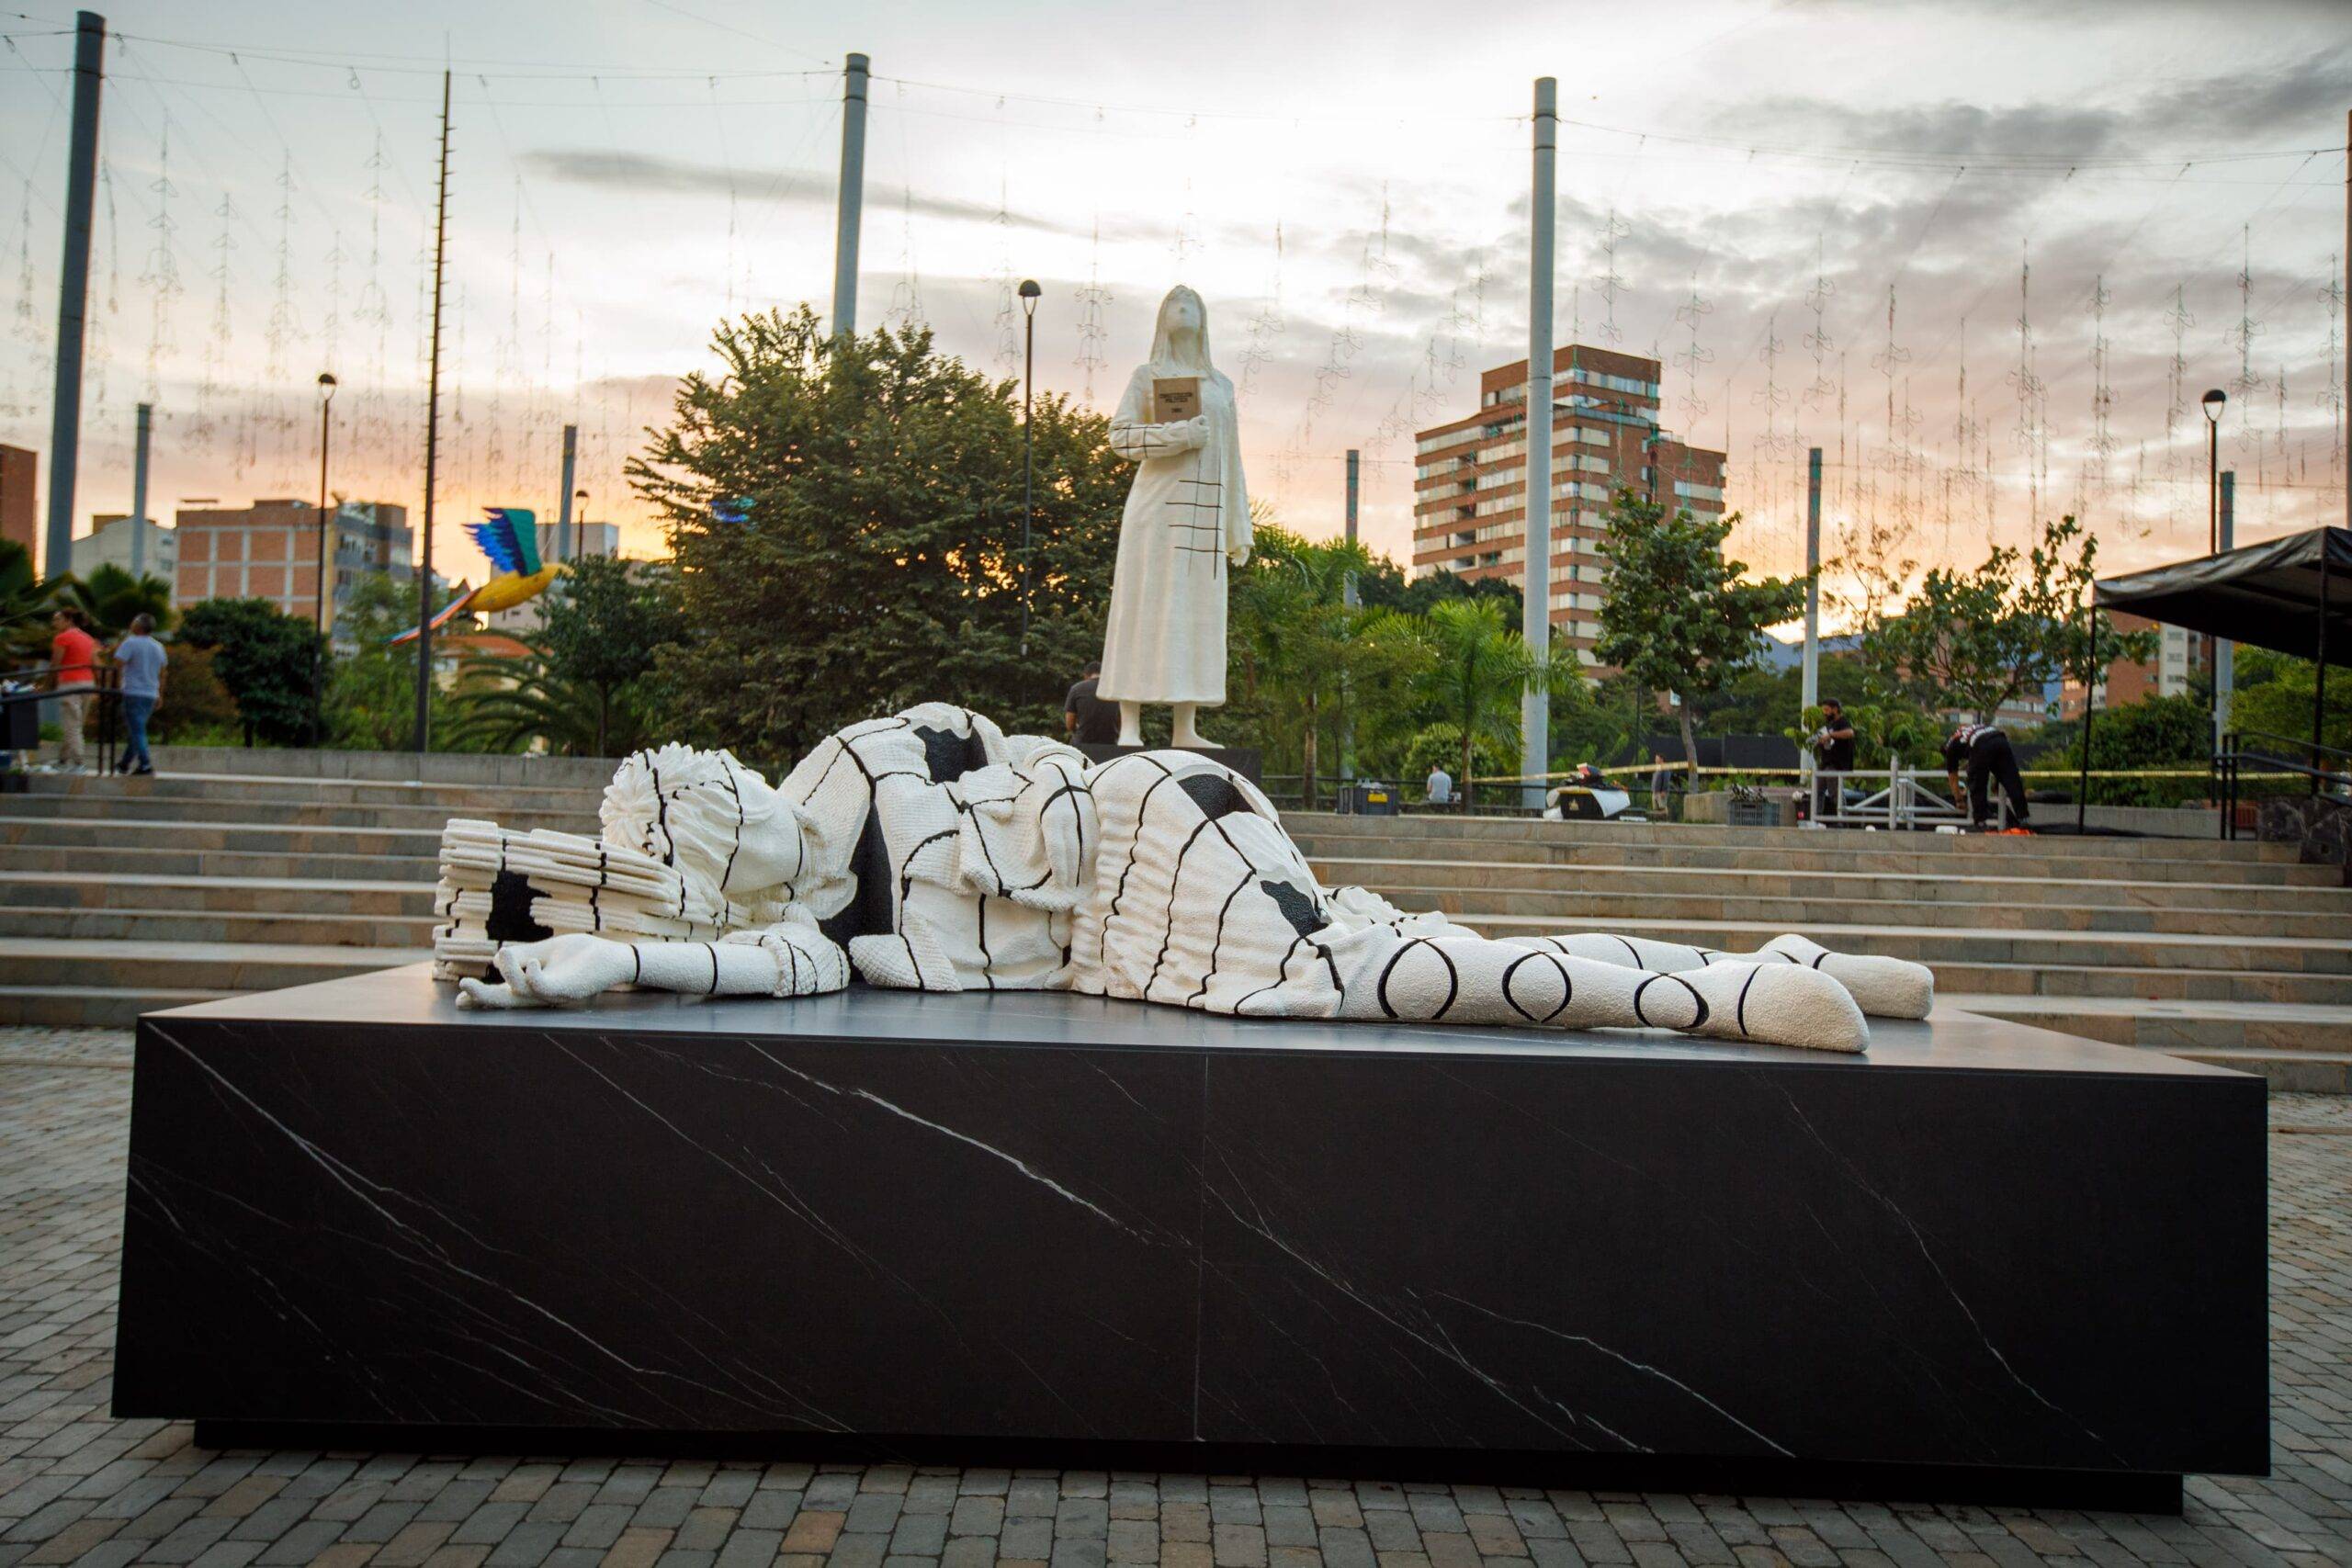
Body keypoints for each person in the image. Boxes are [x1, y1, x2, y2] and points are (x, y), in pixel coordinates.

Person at [1943, 721, 2030, 829]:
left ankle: (1980, 821)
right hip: (2000, 739)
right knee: (2012, 779)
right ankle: (2023, 818)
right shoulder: (1966, 732)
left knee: (1977, 783)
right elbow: (1990, 763)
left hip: (1981, 743)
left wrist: (1959, 800)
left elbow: (1953, 778)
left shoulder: (1950, 748)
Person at [111, 613, 167, 777]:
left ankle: (145, 764)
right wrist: (160, 694)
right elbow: (163, 673)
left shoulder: (130, 643)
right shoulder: (158, 646)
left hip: (133, 691)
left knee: (137, 730)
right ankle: (125, 763)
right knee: (137, 729)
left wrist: (117, 686)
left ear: (139, 626)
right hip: (150, 693)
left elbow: (118, 665)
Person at [45, 607, 97, 773]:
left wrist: (48, 684)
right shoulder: (88, 638)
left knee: (71, 724)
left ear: (69, 620)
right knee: (76, 724)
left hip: (69, 683)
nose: (54, 623)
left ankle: (78, 762)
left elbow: (55, 663)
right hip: (87, 682)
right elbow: (94, 662)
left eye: (58, 619)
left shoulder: (62, 638)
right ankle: (63, 759)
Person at [1810, 698, 1857, 821]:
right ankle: (1816, 818)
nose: (1824, 713)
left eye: (1827, 710)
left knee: (1835, 792)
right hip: (1826, 763)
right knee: (1817, 790)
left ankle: (1843, 820)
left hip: (1836, 763)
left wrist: (1830, 735)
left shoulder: (1842, 722)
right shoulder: (1829, 725)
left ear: (1835, 709)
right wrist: (1819, 741)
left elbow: (1850, 733)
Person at [1062, 665, 1121, 746]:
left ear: (1085, 675)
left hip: (1082, 744)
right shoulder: (1115, 690)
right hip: (1110, 744)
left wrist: (1079, 730)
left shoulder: (1076, 689)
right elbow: (1121, 721)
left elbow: (1070, 724)